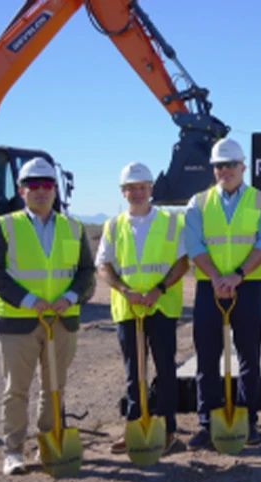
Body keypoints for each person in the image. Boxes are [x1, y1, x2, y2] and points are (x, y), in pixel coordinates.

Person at [0, 157, 95, 475]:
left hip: (61, 321)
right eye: (33, 185)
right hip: (18, 323)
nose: (41, 191)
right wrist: (30, 301)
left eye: (47, 185)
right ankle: (13, 451)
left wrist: (70, 297)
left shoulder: (73, 227)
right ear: (21, 190)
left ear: (55, 190)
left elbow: (86, 270)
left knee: (54, 387)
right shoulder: (5, 226)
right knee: (16, 390)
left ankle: (50, 443)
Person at [183, 137, 261, 450]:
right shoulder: (198, 203)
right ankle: (207, 423)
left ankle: (248, 421)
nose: (225, 170)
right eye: (219, 165)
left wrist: (237, 276)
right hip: (209, 287)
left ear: (243, 166)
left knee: (249, 355)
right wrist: (216, 277)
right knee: (207, 357)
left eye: (231, 164)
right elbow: (194, 245)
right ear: (213, 169)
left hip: (247, 286)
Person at [95, 162, 189, 456]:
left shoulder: (172, 222)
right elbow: (103, 265)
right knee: (134, 373)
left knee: (165, 370)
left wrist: (158, 289)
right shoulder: (113, 226)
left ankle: (168, 430)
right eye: (131, 188)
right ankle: (135, 428)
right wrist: (125, 291)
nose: (137, 192)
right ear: (123, 192)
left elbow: (182, 262)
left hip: (161, 308)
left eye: (142, 187)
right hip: (128, 310)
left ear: (151, 189)